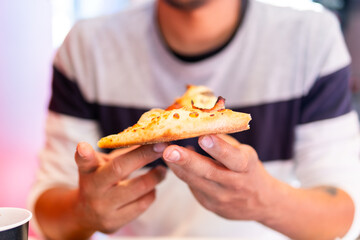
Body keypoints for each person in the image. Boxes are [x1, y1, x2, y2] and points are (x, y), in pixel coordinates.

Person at [28, 0, 360, 239]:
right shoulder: (86, 46)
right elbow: (47, 214)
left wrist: (266, 202)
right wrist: (83, 212)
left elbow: (346, 213)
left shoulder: (311, 36)